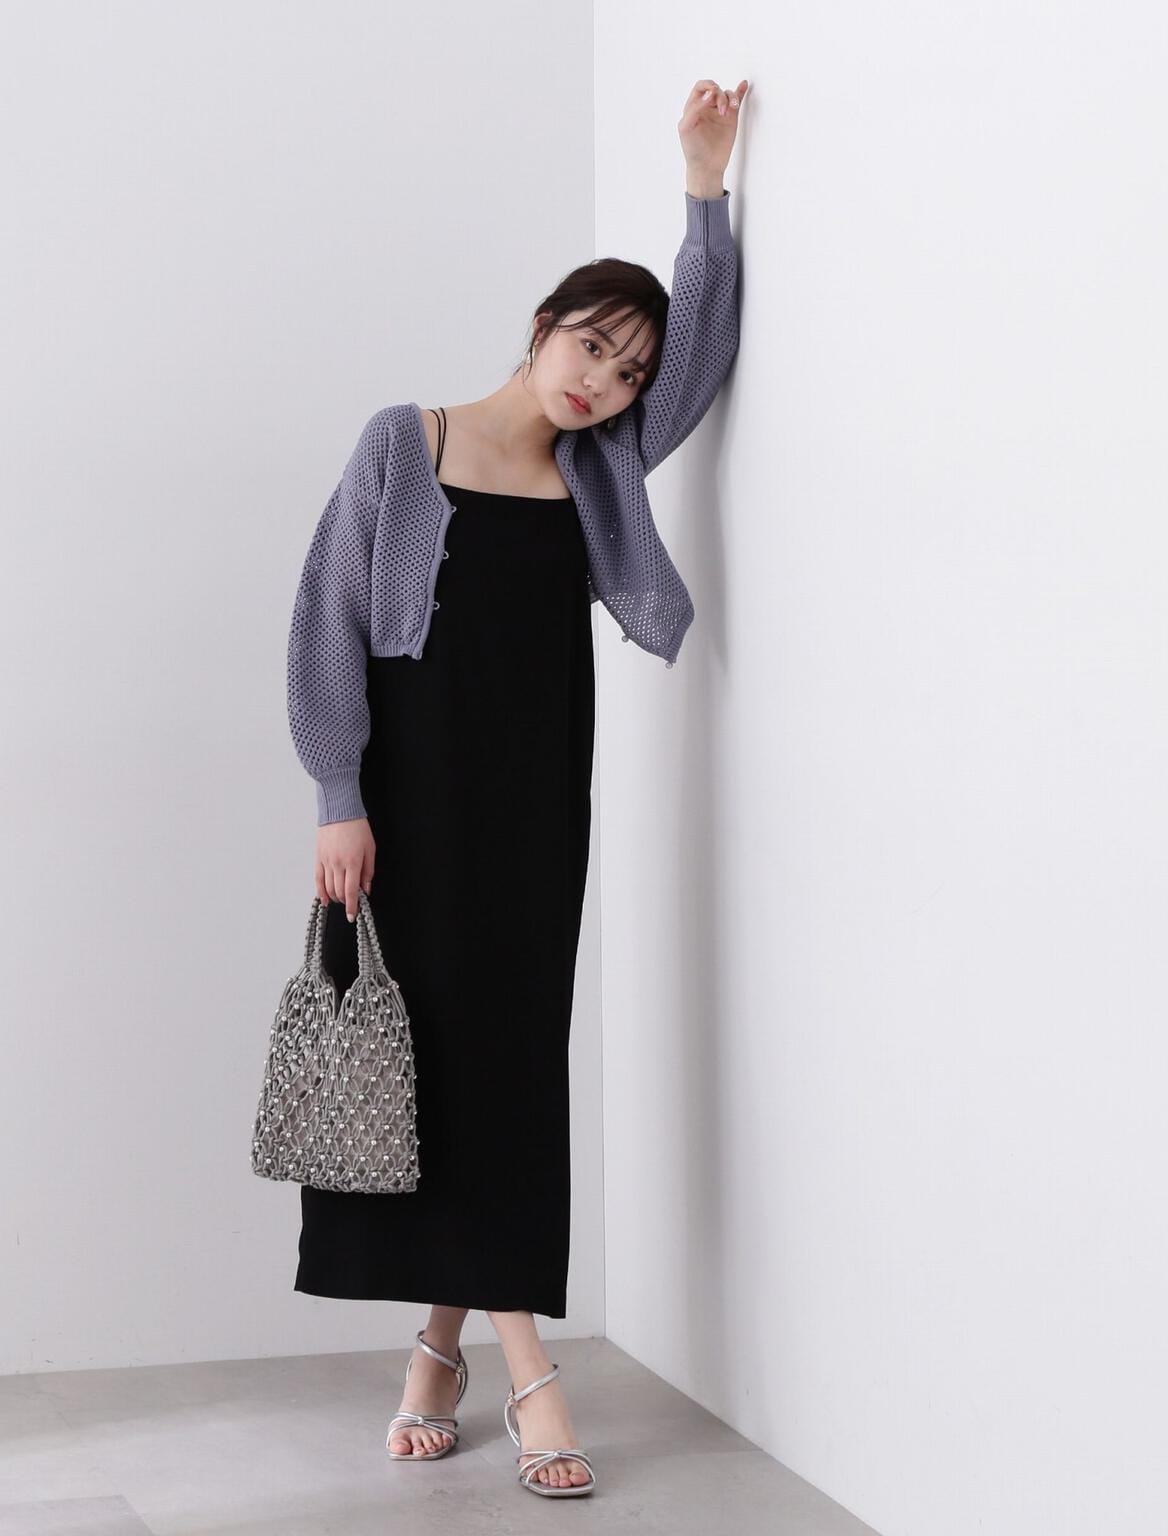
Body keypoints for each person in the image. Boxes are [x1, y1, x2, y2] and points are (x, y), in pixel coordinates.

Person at [285, 77, 747, 1499]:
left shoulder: (602, 466)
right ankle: (530, 1369)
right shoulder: (403, 442)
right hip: (409, 808)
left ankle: (441, 1346)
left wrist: (703, 194)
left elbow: (701, 357)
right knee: (434, 1060)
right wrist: (337, 796)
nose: (601, 381)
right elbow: (327, 622)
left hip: (538, 804)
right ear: (541, 325)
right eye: (589, 344)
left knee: (509, 1067)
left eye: (624, 372)